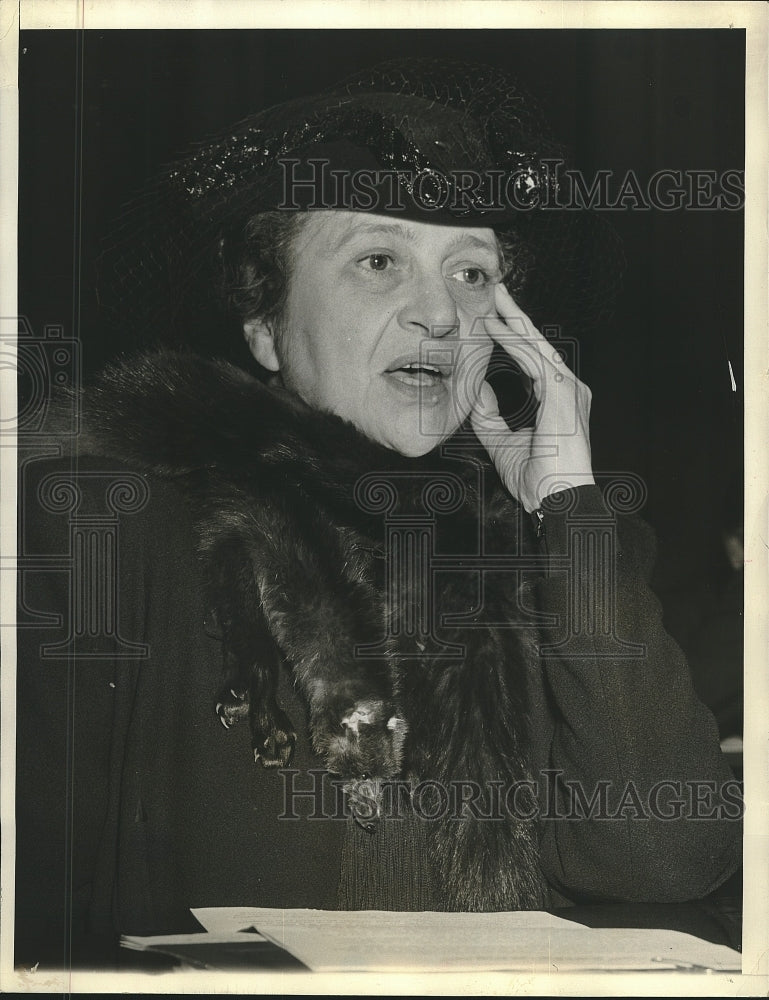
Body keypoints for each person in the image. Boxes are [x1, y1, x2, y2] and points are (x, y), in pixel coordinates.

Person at [15, 59, 741, 969]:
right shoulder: (107, 526)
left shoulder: (556, 548)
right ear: (264, 324)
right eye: (377, 260)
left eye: (474, 274)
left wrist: (568, 506)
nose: (440, 313)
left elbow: (665, 860)